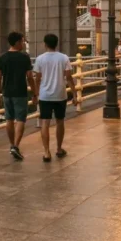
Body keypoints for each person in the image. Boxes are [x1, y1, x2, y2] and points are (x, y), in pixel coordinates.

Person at [33, 33, 77, 162]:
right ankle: (58, 149)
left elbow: (37, 79)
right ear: (56, 44)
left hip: (45, 95)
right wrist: (74, 94)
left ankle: (46, 152)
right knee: (60, 121)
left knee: (45, 123)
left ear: (45, 44)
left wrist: (35, 94)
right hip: (60, 94)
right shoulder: (64, 58)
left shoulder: (40, 59)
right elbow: (69, 78)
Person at [0, 32, 36, 161]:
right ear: (17, 42)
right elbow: (30, 77)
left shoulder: (2, 58)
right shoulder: (24, 57)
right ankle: (16, 146)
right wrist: (35, 93)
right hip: (20, 92)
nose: (23, 43)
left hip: (7, 93)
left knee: (9, 119)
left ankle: (12, 145)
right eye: (22, 41)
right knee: (20, 120)